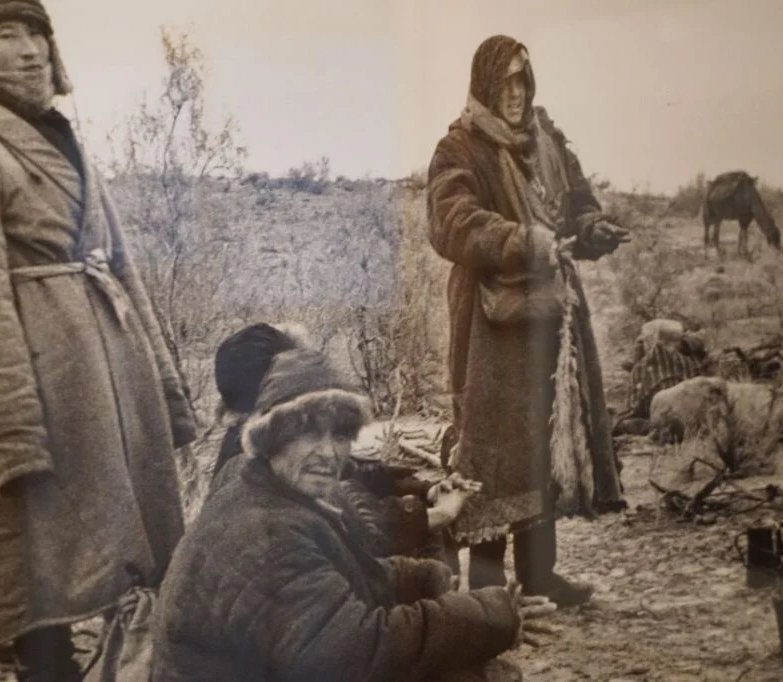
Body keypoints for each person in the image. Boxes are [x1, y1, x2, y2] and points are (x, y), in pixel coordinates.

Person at [0, 1, 195, 678]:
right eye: (6, 35)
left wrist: (166, 397)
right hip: (40, 396)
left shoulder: (64, 138)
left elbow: (122, 271)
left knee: (126, 578)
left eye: (37, 33)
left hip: (112, 391)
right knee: (41, 594)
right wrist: (13, 439)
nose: (30, 49)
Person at [151, 343, 555, 681]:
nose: (328, 453)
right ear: (271, 437)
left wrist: (424, 577)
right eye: (308, 431)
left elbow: (351, 574)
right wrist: (487, 616)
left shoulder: (266, 487)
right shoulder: (264, 532)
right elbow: (355, 653)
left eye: (341, 434)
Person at [426, 35, 628, 606]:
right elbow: (451, 222)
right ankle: (489, 591)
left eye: (522, 81)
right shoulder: (459, 148)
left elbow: (577, 204)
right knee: (491, 447)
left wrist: (591, 230)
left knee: (545, 437)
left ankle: (541, 577)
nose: (514, 94)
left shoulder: (548, 143)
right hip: (491, 327)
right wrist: (521, 240)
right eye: (505, 83)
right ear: (486, 85)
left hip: (551, 321)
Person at [209, 322, 477, 562]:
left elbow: (351, 472)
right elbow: (353, 524)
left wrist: (425, 491)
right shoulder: (245, 465)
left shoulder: (266, 437)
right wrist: (434, 516)